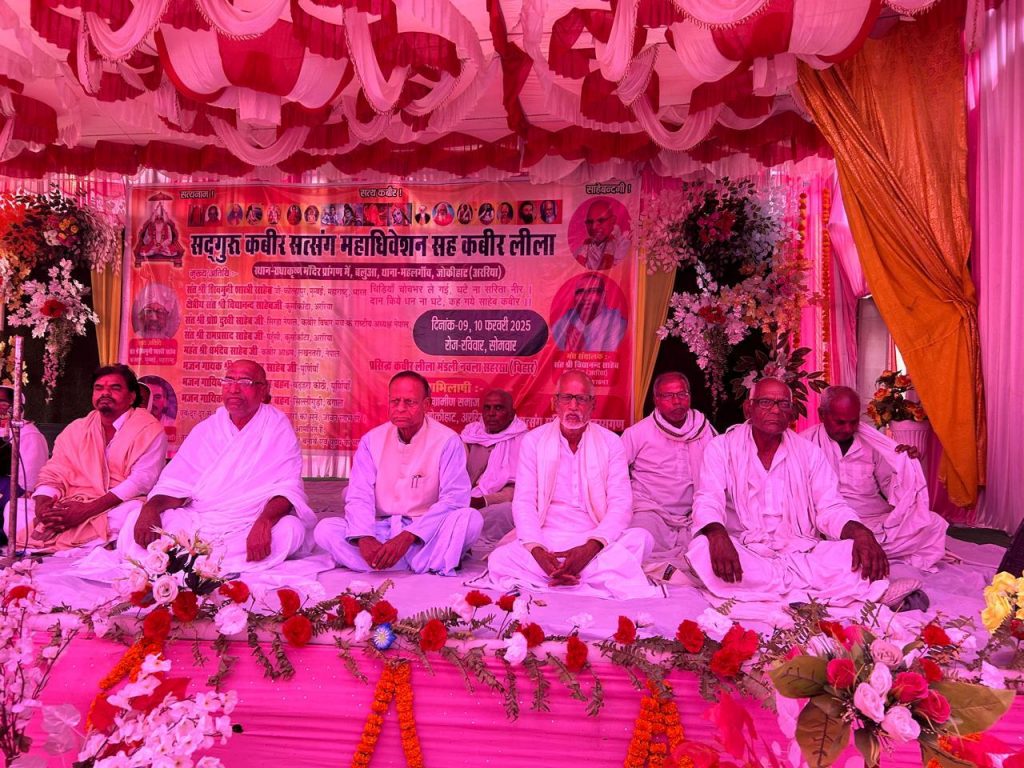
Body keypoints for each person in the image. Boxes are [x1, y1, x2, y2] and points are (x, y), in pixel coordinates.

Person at [685, 378, 892, 607]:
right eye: (765, 402)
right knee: (702, 549)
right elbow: (708, 498)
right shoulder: (721, 448)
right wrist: (717, 535)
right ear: (748, 408)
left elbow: (830, 507)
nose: (775, 410)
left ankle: (768, 585)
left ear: (792, 413)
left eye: (783, 404)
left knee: (854, 552)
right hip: (744, 550)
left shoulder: (810, 453)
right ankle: (804, 588)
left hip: (799, 551)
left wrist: (860, 532)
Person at [121, 360, 314, 572]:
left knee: (291, 529)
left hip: (249, 523)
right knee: (135, 517)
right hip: (199, 519)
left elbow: (287, 487)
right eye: (228, 381)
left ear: (263, 389)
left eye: (245, 382)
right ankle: (200, 561)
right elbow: (176, 485)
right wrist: (151, 508)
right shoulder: (207, 429)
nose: (234, 389)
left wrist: (265, 522)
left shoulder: (276, 427)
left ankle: (184, 559)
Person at [484, 371, 658, 599]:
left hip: (594, 536)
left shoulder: (611, 443)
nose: (573, 406)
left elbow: (621, 504)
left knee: (642, 538)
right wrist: (537, 550)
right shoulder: (533, 441)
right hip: (546, 537)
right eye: (566, 398)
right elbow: (524, 502)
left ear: (593, 405)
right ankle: (575, 574)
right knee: (499, 559)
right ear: (555, 403)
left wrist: (590, 548)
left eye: (581, 399)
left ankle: (557, 575)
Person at [314, 372, 481, 575]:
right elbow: (359, 494)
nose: (400, 408)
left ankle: (386, 562)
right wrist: (364, 537)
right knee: (325, 529)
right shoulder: (371, 440)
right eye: (395, 401)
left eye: (409, 402)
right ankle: (421, 561)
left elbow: (454, 499)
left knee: (470, 519)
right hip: (381, 530)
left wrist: (409, 536)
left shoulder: (447, 441)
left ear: (427, 405)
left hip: (427, 533)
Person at [6, 365, 166, 552]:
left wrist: (86, 511)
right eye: (99, 388)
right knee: (16, 508)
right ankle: (88, 544)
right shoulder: (77, 428)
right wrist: (43, 508)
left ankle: (80, 545)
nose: (105, 393)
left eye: (115, 388)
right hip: (70, 501)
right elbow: (55, 471)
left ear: (132, 397)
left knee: (132, 513)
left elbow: (141, 481)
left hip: (113, 505)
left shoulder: (149, 430)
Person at [801, 386, 947, 571]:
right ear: (822, 414)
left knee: (933, 523)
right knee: (813, 541)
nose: (848, 429)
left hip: (874, 520)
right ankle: (863, 551)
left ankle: (858, 553)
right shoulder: (804, 444)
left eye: (853, 422)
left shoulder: (873, 442)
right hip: (833, 525)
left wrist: (905, 467)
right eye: (840, 422)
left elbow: (889, 487)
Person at [622, 373, 715, 582]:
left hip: (692, 514)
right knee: (637, 542)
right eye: (668, 396)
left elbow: (719, 471)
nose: (676, 401)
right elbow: (614, 474)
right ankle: (661, 572)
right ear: (656, 399)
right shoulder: (637, 433)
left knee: (710, 548)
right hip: (650, 510)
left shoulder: (704, 429)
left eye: (682, 394)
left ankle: (672, 573)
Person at [460, 389, 528, 554]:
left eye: (498, 408)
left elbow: (520, 488)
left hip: (494, 505)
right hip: (464, 501)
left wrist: (482, 501)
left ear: (512, 414)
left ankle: (473, 542)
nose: (491, 413)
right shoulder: (470, 436)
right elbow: (455, 475)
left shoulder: (525, 441)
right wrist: (462, 499)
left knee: (507, 512)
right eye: (487, 408)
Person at [0, 385, 49, 544]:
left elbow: (28, 485)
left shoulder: (30, 435)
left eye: (3, 403)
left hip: (13, 497)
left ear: (17, 408)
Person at [551, 272, 627, 352]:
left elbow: (611, 355)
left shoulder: (617, 324)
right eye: (580, 292)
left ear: (603, 295)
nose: (586, 297)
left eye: (593, 291)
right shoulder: (564, 322)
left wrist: (581, 350)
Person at [574, 199, 630, 270]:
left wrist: (610, 246)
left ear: (613, 220)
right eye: (590, 222)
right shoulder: (582, 249)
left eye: (601, 221)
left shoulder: (624, 246)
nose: (594, 227)